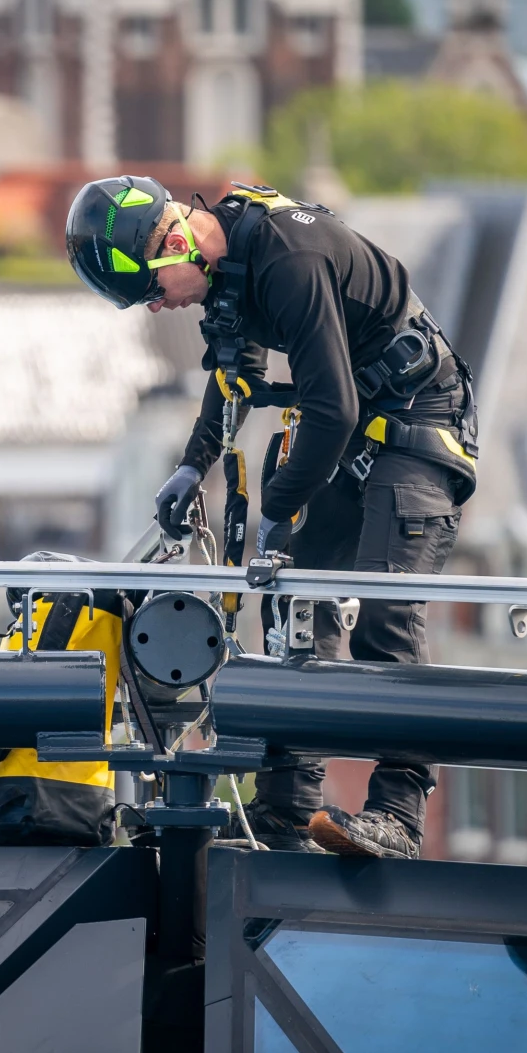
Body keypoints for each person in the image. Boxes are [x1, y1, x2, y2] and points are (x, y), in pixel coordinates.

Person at [65, 176, 479, 859]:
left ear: (174, 243)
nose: (157, 307)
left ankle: (399, 819)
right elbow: (234, 374)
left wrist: (277, 514)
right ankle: (287, 807)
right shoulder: (225, 269)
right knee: (295, 608)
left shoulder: (290, 262)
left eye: (152, 289)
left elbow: (333, 408)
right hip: (359, 430)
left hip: (418, 427)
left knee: (384, 613)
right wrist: (194, 464)